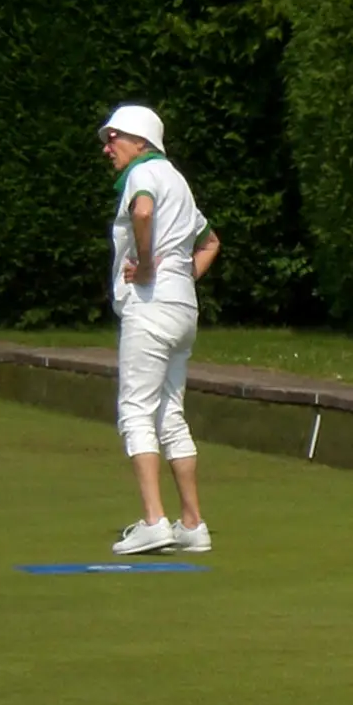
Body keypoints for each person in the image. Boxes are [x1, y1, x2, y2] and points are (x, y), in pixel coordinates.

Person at [100, 105, 220, 555]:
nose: (107, 147)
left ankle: (154, 521)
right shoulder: (178, 181)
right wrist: (179, 279)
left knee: (135, 411)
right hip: (182, 308)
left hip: (150, 308)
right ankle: (192, 524)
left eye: (114, 138)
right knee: (169, 413)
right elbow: (211, 242)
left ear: (141, 141)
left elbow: (144, 213)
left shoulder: (143, 172)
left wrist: (149, 266)